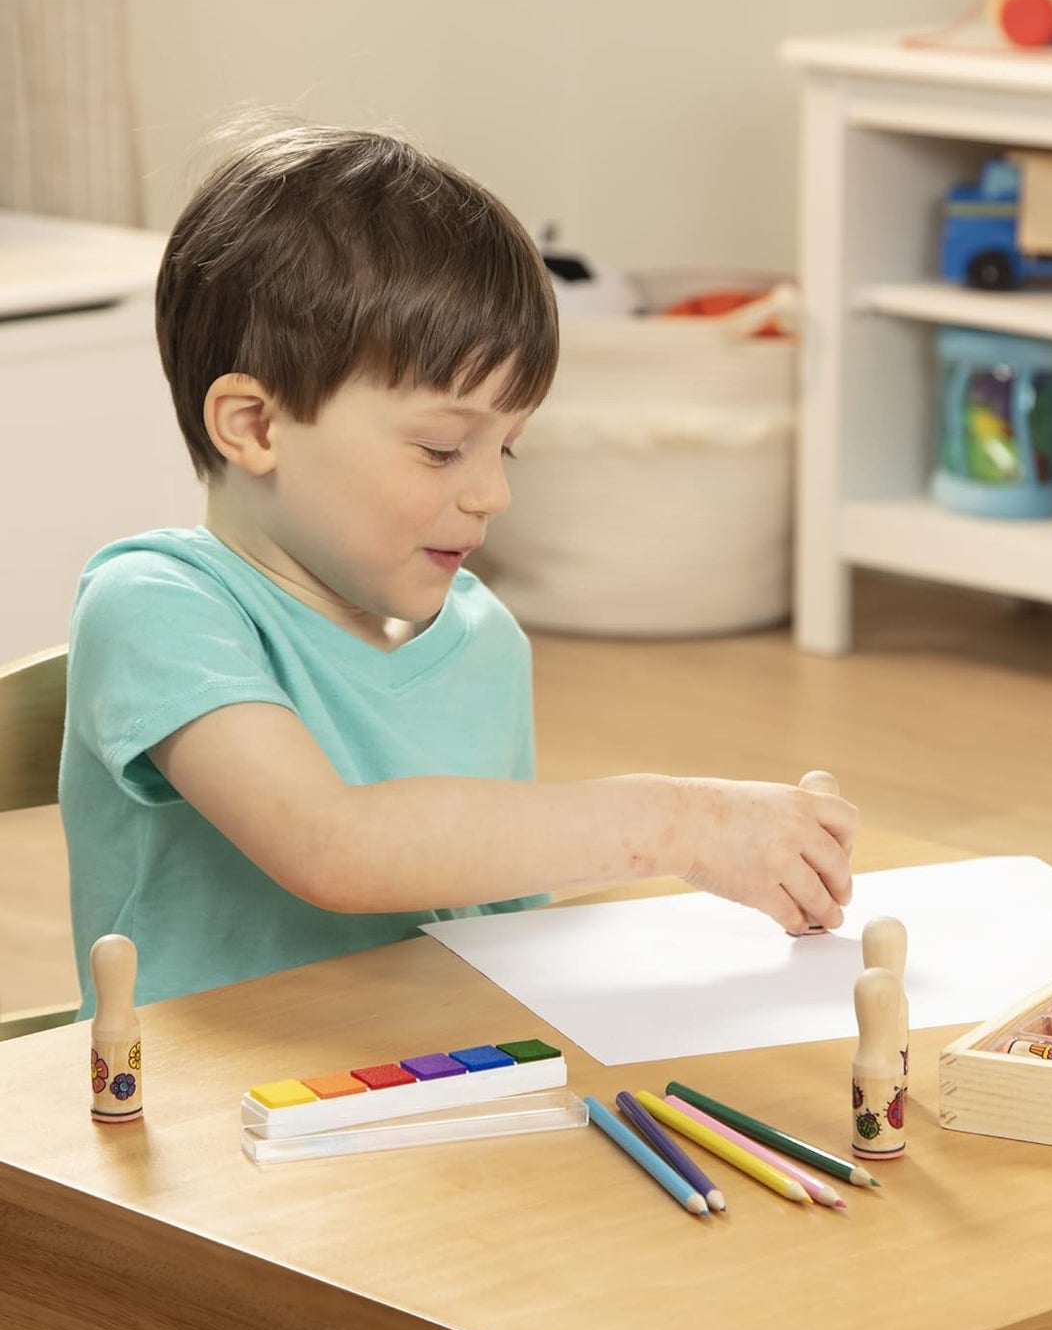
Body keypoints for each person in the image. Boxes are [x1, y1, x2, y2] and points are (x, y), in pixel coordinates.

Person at [59, 123, 856, 1011]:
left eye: (505, 450)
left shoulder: (480, 634)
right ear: (255, 426)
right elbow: (333, 848)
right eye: (442, 449)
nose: (490, 495)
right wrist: (676, 820)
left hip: (436, 1100)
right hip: (198, 1124)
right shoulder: (154, 606)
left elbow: (492, 927)